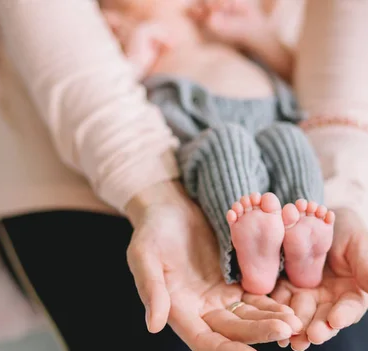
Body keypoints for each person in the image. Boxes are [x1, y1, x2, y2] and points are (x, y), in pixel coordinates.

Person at [0, 0, 368, 351]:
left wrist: (340, 188)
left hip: (278, 120)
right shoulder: (121, 28)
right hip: (90, 95)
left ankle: (296, 238)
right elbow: (85, 73)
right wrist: (152, 191)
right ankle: (247, 249)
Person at [100, 0, 335, 295]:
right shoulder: (118, 18)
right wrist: (133, 62)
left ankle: (303, 234)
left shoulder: (215, 9)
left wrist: (255, 33)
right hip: (197, 125)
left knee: (291, 140)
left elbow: (298, 76)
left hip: (271, 116)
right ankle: (246, 249)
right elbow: (103, 95)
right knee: (225, 144)